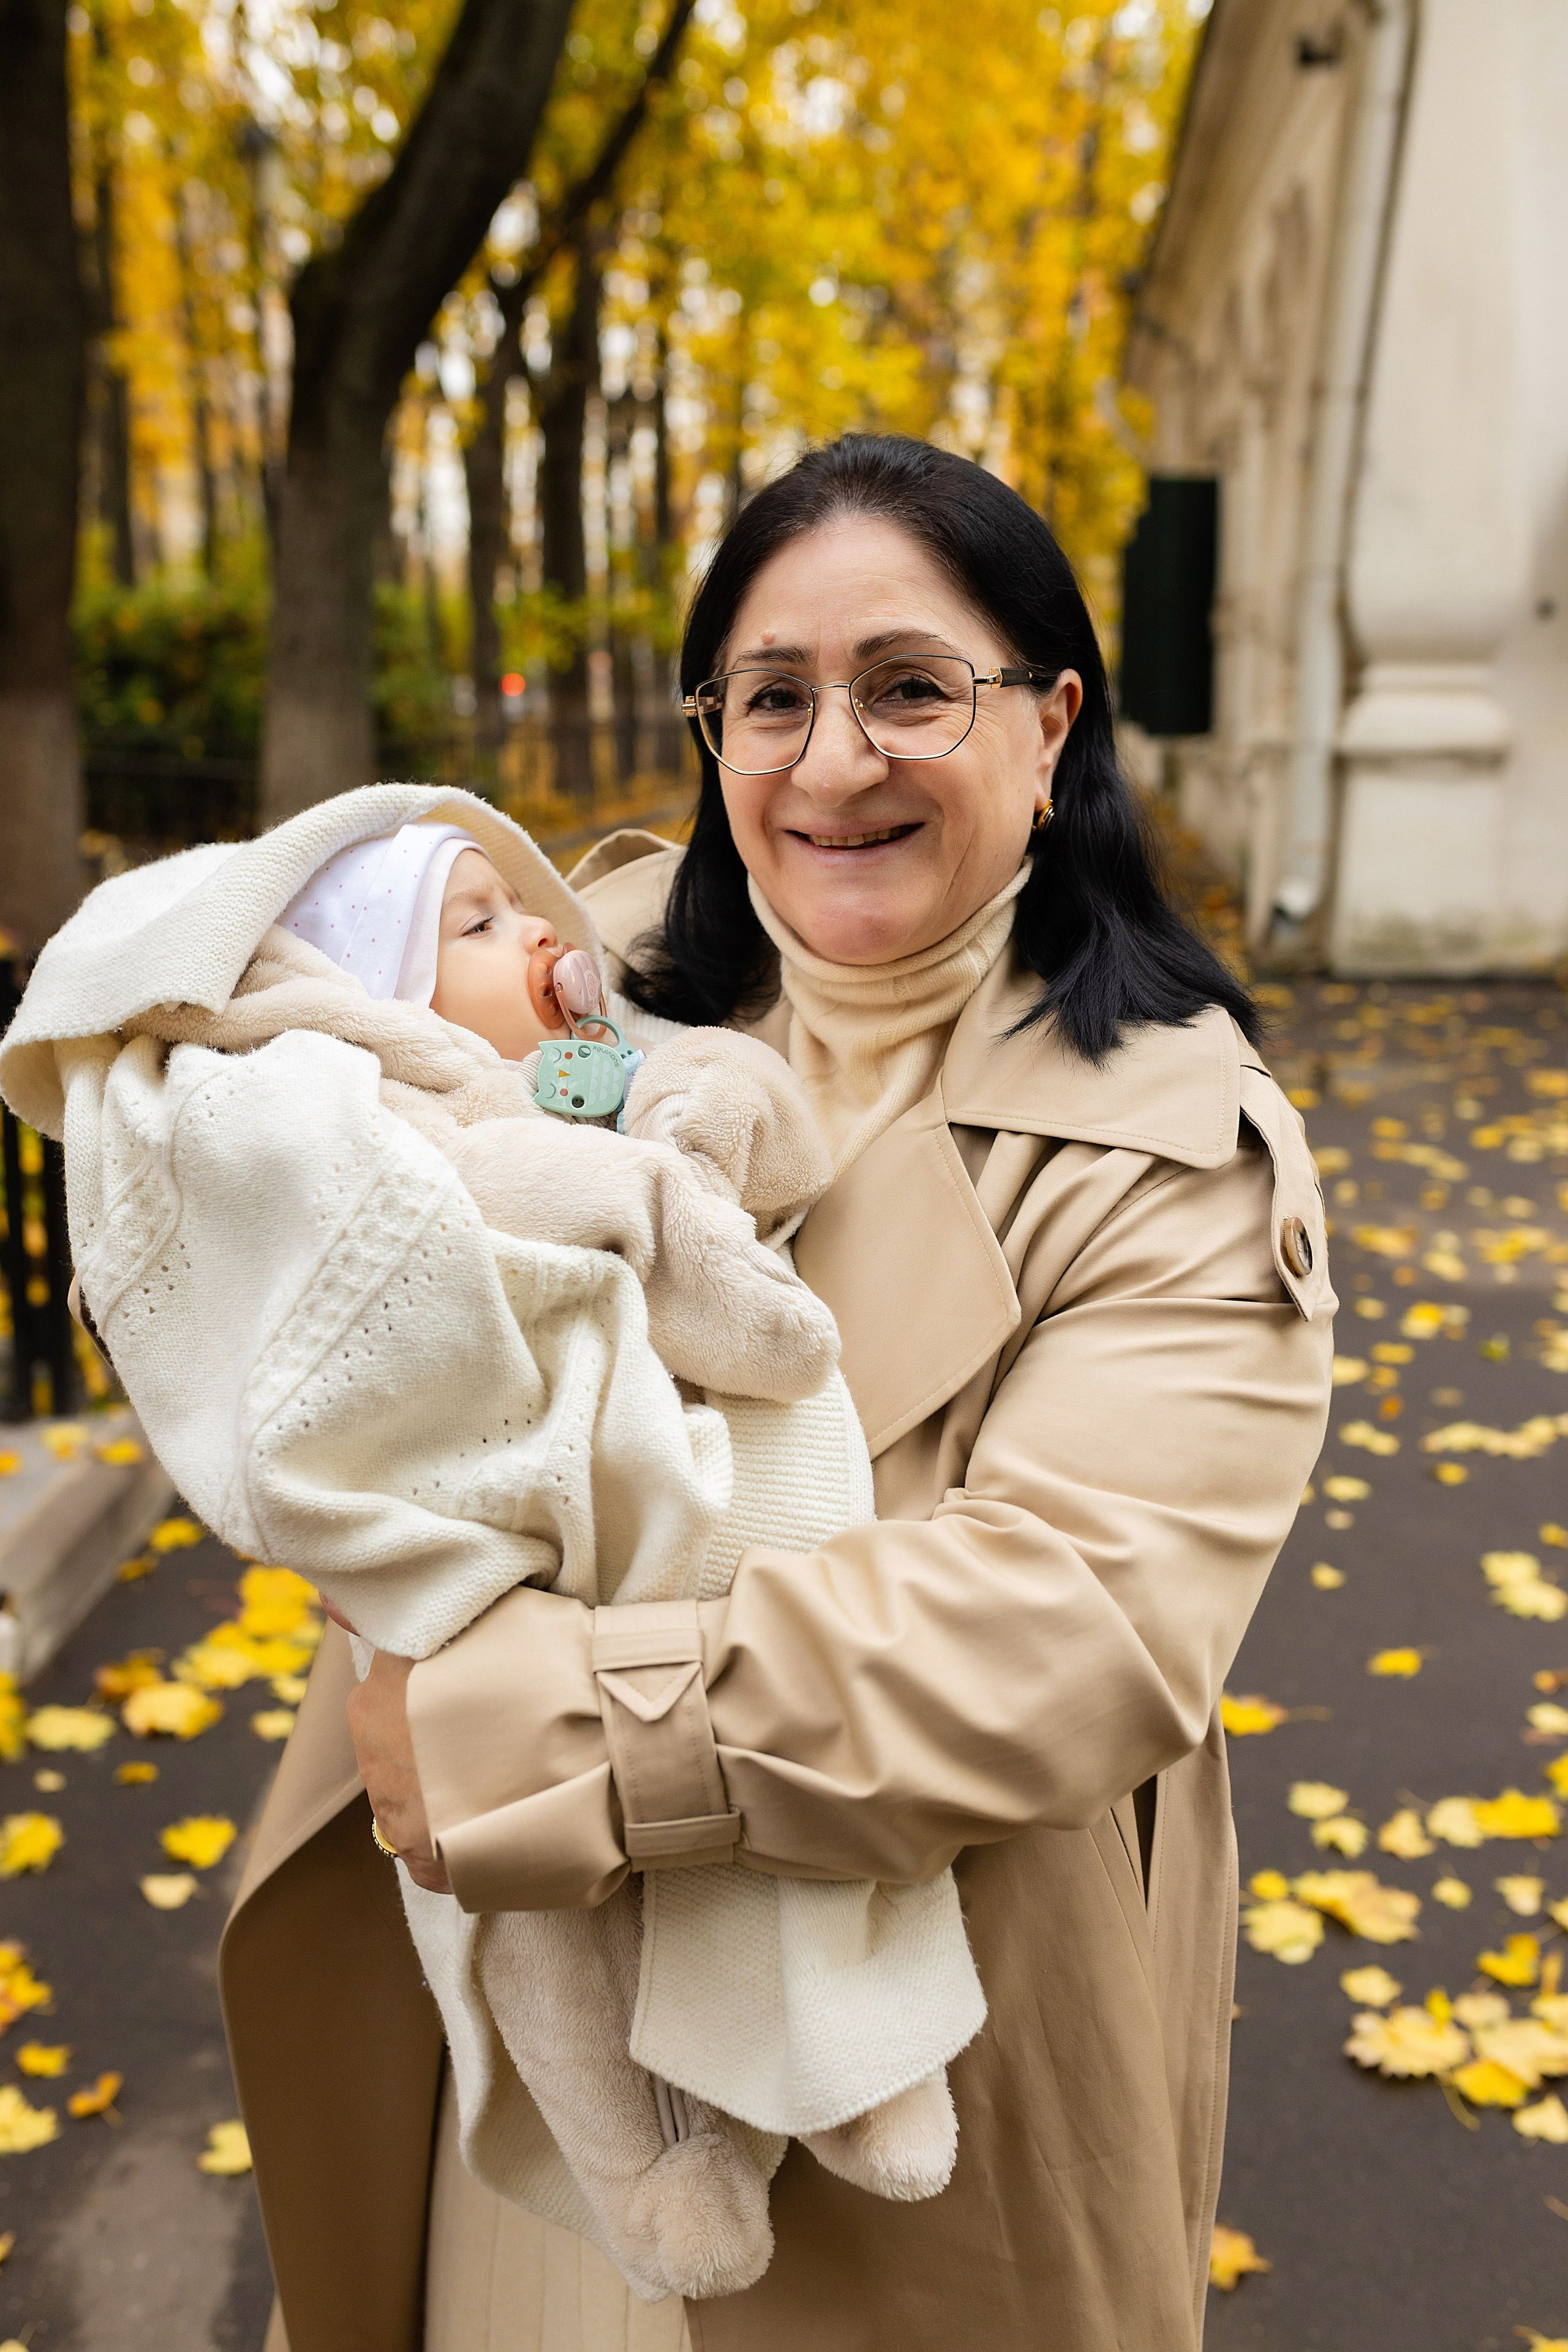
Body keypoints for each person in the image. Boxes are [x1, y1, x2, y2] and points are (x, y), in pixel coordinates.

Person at [221, 434, 1333, 2352]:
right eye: (772, 698)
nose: (832, 764)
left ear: (1051, 726)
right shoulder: (576, 983)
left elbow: (1069, 1624)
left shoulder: (1177, 1153)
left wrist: (527, 1729)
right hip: (516, 2058)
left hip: (914, 2086)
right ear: (712, 729)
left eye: (912, 687)